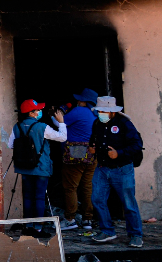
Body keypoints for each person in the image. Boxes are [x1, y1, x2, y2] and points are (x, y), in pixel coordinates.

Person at [88, 96, 144, 248]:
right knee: (97, 199)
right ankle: (107, 230)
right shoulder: (97, 123)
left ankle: (136, 235)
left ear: (112, 112)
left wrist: (119, 153)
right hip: (103, 167)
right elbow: (93, 139)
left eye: (104, 111)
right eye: (99, 110)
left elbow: (137, 144)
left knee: (128, 203)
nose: (101, 113)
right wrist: (92, 148)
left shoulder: (124, 123)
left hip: (122, 169)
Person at [8, 99, 67, 237]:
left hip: (24, 167)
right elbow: (62, 138)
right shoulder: (42, 127)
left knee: (28, 197)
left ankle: (28, 226)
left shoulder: (17, 127)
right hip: (40, 166)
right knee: (40, 197)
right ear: (32, 112)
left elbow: (11, 145)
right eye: (37, 110)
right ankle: (38, 228)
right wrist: (62, 122)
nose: (39, 112)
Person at [59, 89, 98, 231]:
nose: (78, 101)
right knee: (87, 187)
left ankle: (70, 219)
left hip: (76, 152)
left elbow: (59, 123)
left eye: (80, 99)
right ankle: (88, 219)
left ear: (84, 101)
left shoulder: (78, 111)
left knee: (71, 187)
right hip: (92, 154)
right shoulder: (97, 114)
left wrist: (58, 114)